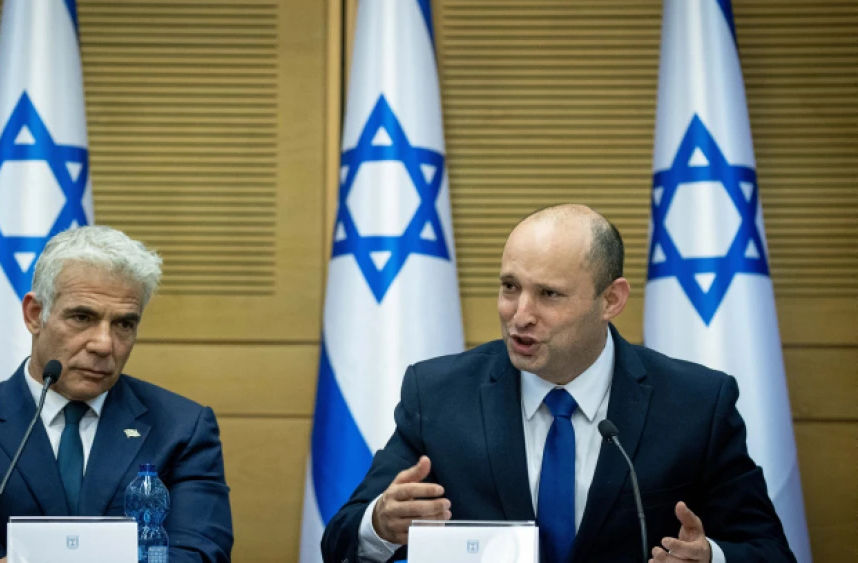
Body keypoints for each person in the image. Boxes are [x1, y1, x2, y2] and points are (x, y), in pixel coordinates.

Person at [321, 204, 795, 563]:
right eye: (510, 287)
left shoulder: (695, 403)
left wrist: (711, 556)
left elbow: (768, 549)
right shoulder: (439, 393)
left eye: (549, 294)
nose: (519, 315)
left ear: (610, 300)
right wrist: (381, 522)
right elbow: (340, 538)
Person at [0, 226, 233, 563]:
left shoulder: (181, 428)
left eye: (123, 324)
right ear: (35, 315)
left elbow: (201, 554)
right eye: (81, 317)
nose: (104, 344)